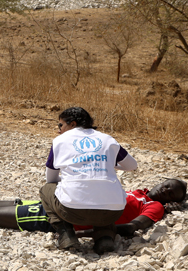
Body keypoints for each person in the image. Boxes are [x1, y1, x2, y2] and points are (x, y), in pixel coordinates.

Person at [0, 178, 187, 238]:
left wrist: (90, 231)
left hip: (63, 218)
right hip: (58, 204)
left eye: (171, 190)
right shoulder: (138, 192)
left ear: (172, 199)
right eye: (166, 182)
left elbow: (134, 228)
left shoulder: (154, 209)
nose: (165, 187)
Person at [41, 107, 138, 254]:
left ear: (72, 124)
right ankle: (104, 236)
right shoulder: (107, 139)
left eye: (60, 125)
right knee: (103, 192)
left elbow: (51, 179)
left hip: (72, 212)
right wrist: (108, 164)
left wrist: (73, 178)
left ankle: (66, 234)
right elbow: (132, 166)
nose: (59, 129)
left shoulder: (60, 141)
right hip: (113, 212)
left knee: (45, 189)